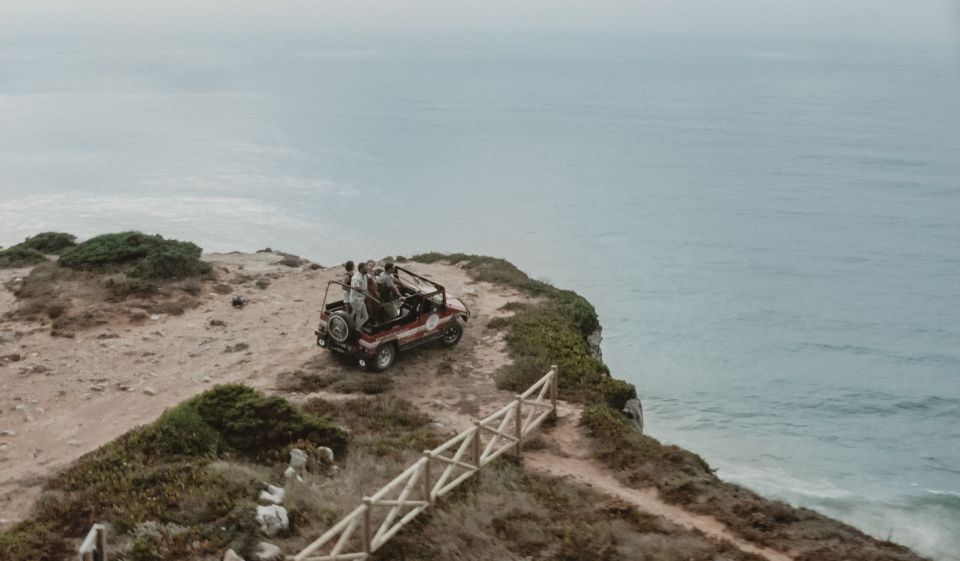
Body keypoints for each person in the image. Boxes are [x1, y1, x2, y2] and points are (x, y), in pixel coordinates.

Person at [349, 261, 368, 331]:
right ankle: (355, 328)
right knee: (358, 314)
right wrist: (365, 291)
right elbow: (356, 287)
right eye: (365, 268)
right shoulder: (356, 277)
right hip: (355, 300)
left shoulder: (364, 275)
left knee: (366, 317)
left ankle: (356, 327)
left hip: (361, 300)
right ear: (361, 269)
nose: (367, 269)